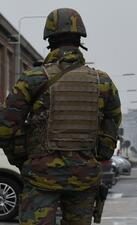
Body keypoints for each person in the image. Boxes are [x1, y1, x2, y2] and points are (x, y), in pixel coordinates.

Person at [0, 8, 121, 225]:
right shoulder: (103, 82)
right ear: (80, 39)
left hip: (40, 177)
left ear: (49, 38)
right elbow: (112, 123)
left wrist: (21, 158)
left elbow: (6, 127)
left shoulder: (32, 79)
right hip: (84, 178)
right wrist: (99, 155)